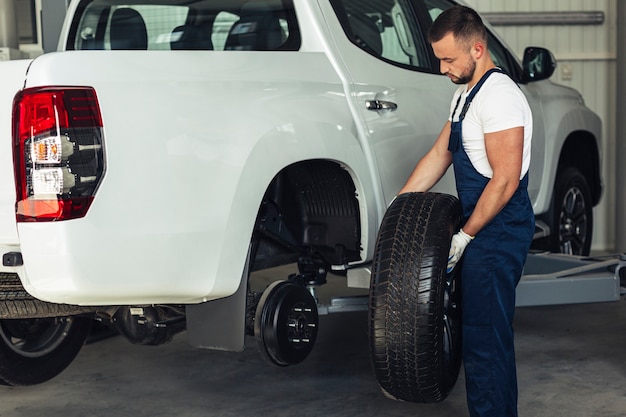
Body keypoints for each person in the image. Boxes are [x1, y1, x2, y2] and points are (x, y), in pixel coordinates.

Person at [397, 5, 535, 417]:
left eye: (448, 59)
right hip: (478, 226)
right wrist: (398, 211)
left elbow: (506, 181)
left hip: (498, 229)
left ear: (477, 49)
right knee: (476, 335)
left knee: (486, 339)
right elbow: (438, 156)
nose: (442, 68)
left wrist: (466, 236)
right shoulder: (464, 96)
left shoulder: (501, 98)